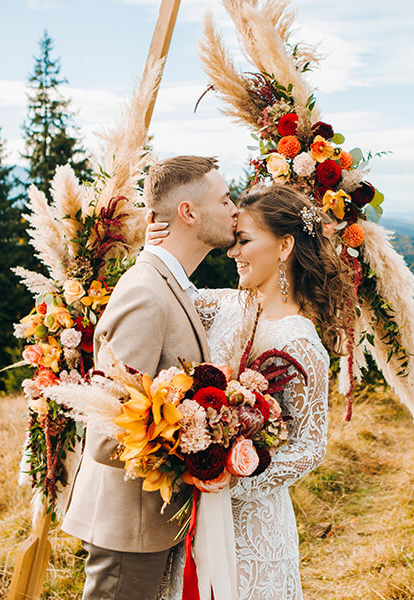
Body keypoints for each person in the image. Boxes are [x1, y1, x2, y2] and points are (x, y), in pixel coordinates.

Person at [148, 184, 355, 599]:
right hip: (195, 520)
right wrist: (154, 252)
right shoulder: (227, 305)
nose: (232, 252)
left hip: (254, 533)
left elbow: (310, 448)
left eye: (243, 241)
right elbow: (165, 297)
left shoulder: (300, 342)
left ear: (284, 247)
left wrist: (234, 473)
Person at [61, 155, 239, 600]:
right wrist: (200, 442)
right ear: (188, 213)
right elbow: (108, 432)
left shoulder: (170, 283)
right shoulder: (146, 292)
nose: (234, 209)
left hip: (150, 525)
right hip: (128, 529)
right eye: (224, 199)